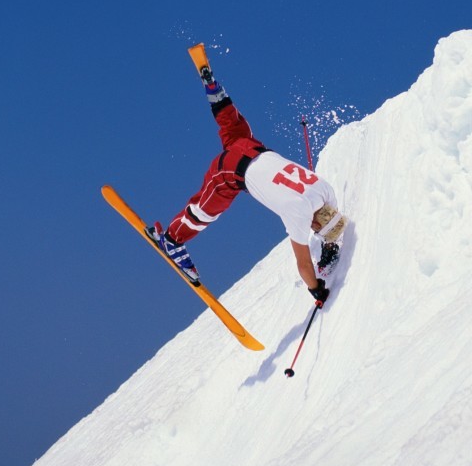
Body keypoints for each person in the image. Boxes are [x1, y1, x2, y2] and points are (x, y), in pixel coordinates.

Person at [146, 47, 347, 304]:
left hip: (251, 147)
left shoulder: (325, 190)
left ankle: (211, 84)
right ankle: (173, 240)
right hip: (232, 170)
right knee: (207, 208)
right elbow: (303, 264)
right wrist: (316, 290)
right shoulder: (298, 213)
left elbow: (328, 220)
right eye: (316, 229)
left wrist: (329, 243)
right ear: (316, 223)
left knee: (232, 123)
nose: (312, 229)